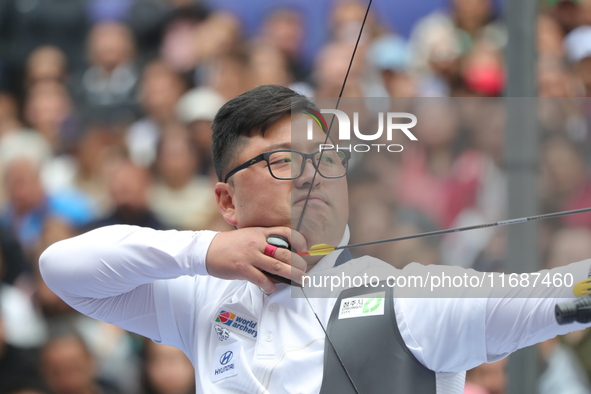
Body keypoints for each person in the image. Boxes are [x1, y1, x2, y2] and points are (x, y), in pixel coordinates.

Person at [40, 85, 591, 393]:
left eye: (326, 158)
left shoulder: (411, 297)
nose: (311, 174)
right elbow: (63, 268)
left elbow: (559, 291)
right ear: (227, 202)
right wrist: (206, 251)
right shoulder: (206, 300)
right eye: (283, 161)